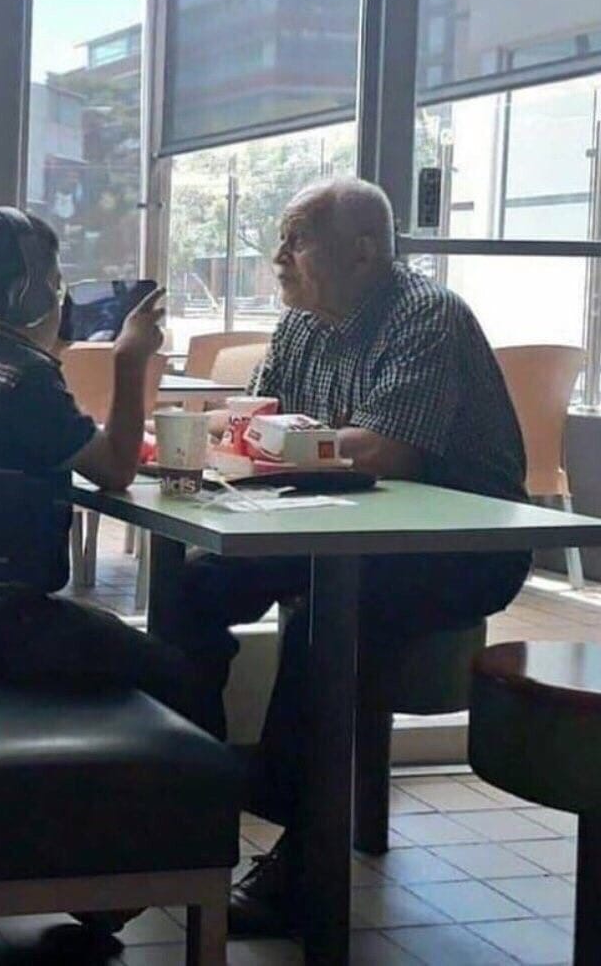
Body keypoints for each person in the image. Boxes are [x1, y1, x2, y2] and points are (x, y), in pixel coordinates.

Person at [165, 178, 531, 937]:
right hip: (333, 527)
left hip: (460, 548)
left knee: (328, 619)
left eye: (296, 239)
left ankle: (301, 855)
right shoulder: (299, 325)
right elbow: (256, 426)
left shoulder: (427, 314)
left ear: (363, 251)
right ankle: (186, 793)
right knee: (197, 589)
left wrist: (271, 443)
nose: (277, 256)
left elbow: (387, 451)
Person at [0, 205, 217, 733]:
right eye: (53, 280)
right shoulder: (26, 378)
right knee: (179, 676)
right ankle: (200, 781)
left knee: (108, 636)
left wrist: (55, 338)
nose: (59, 293)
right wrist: (129, 360)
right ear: (28, 291)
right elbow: (116, 468)